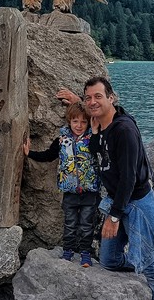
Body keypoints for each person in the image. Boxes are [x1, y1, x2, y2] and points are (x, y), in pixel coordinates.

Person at [58, 77, 154, 300]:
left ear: (113, 98)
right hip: (115, 199)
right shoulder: (96, 120)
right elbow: (86, 112)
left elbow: (129, 178)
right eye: (88, 98)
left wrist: (114, 217)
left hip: (135, 201)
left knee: (149, 266)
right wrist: (75, 100)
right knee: (109, 260)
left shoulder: (124, 130)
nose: (92, 102)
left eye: (98, 97)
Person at [24, 102, 100, 267]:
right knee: (70, 223)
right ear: (69, 121)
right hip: (70, 190)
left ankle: (85, 253)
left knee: (87, 224)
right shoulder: (61, 140)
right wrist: (29, 153)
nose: (79, 125)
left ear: (89, 123)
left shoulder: (93, 139)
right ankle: (68, 251)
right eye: (75, 121)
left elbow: (99, 147)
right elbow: (48, 156)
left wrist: (94, 129)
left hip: (89, 191)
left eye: (83, 122)